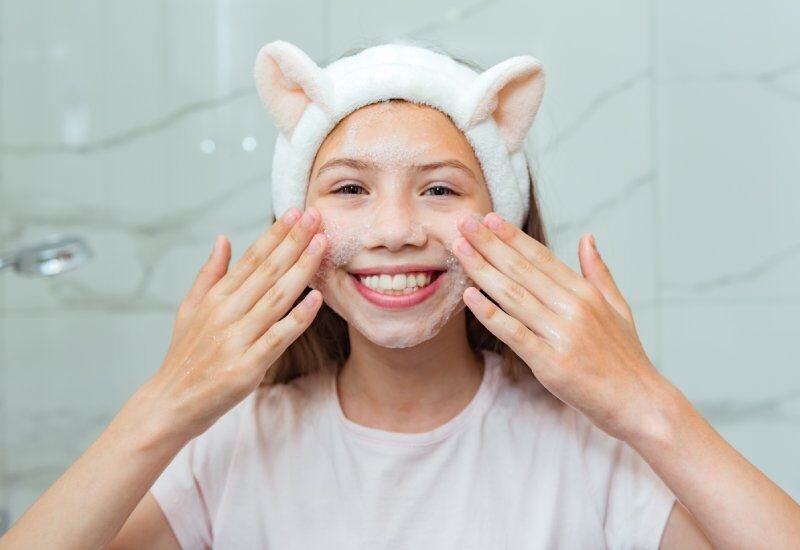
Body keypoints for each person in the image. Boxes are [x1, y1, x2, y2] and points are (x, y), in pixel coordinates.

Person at [2, 40, 798, 550]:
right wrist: (165, 406)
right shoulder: (232, 449)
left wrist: (643, 402)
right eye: (349, 188)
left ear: (504, 223)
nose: (393, 230)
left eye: (441, 190)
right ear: (291, 228)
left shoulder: (590, 450)